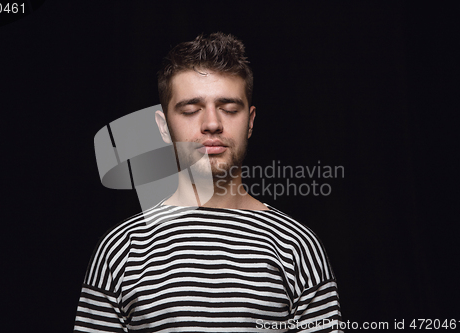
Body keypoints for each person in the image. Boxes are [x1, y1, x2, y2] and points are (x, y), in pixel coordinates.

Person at [74, 32, 342, 332]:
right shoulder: (120, 250)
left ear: (250, 121)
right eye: (190, 110)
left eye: (229, 108)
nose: (212, 123)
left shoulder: (297, 247)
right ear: (164, 127)